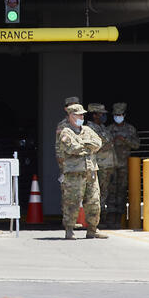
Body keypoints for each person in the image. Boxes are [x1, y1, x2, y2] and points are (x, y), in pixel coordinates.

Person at [56, 103, 106, 240]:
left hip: (91, 171)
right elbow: (71, 148)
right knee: (72, 202)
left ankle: (92, 229)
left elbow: (98, 143)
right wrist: (87, 145)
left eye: (82, 114)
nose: (81, 117)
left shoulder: (88, 130)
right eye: (78, 114)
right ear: (71, 116)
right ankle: (69, 229)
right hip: (74, 173)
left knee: (94, 202)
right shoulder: (65, 131)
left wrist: (83, 144)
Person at [106, 102, 141, 226]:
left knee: (121, 191)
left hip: (124, 166)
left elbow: (137, 145)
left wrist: (125, 140)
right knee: (110, 192)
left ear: (124, 115)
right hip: (111, 165)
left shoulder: (130, 129)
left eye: (120, 115)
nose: (118, 117)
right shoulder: (108, 129)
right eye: (116, 115)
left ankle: (119, 219)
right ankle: (109, 218)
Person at [86, 103, 116, 224]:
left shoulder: (103, 127)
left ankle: (104, 217)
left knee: (106, 192)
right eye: (101, 114)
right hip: (100, 165)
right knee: (98, 193)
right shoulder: (89, 129)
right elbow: (95, 146)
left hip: (109, 165)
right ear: (94, 115)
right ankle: (97, 220)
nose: (103, 116)